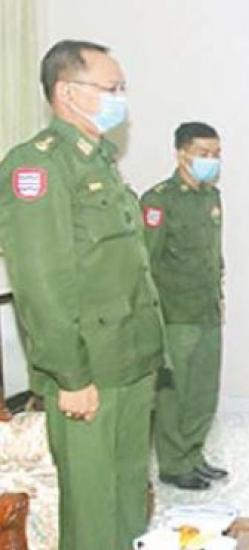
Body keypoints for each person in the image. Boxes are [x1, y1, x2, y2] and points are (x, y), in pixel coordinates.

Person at [0, 40, 167, 550]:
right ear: (68, 93)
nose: (120, 99)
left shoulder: (100, 162)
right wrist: (70, 377)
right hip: (88, 370)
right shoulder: (39, 167)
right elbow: (41, 284)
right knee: (93, 514)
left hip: (130, 359)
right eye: (110, 88)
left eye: (122, 88)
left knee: (128, 499)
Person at [140, 122, 226, 491]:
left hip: (207, 310)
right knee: (175, 394)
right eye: (203, 153)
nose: (211, 160)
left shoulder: (211, 197)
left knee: (203, 391)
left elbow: (212, 256)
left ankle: (193, 454)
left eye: (216, 154)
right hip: (175, 313)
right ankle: (174, 464)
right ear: (181, 154)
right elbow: (146, 261)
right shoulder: (159, 201)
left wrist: (218, 298)